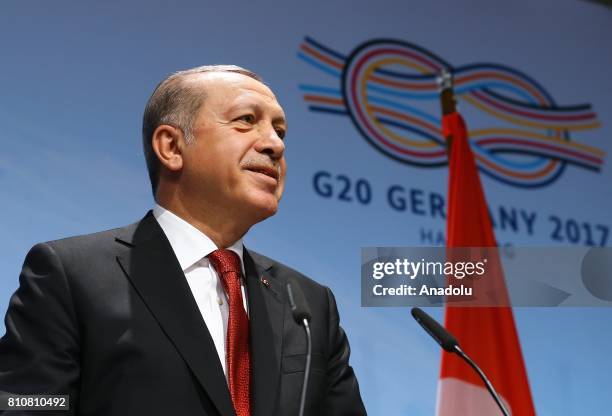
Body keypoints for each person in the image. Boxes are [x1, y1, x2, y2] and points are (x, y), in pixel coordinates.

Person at [0, 65, 367, 415]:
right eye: (246, 120)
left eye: (281, 131)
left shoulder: (308, 305)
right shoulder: (72, 274)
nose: (275, 145)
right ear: (172, 147)